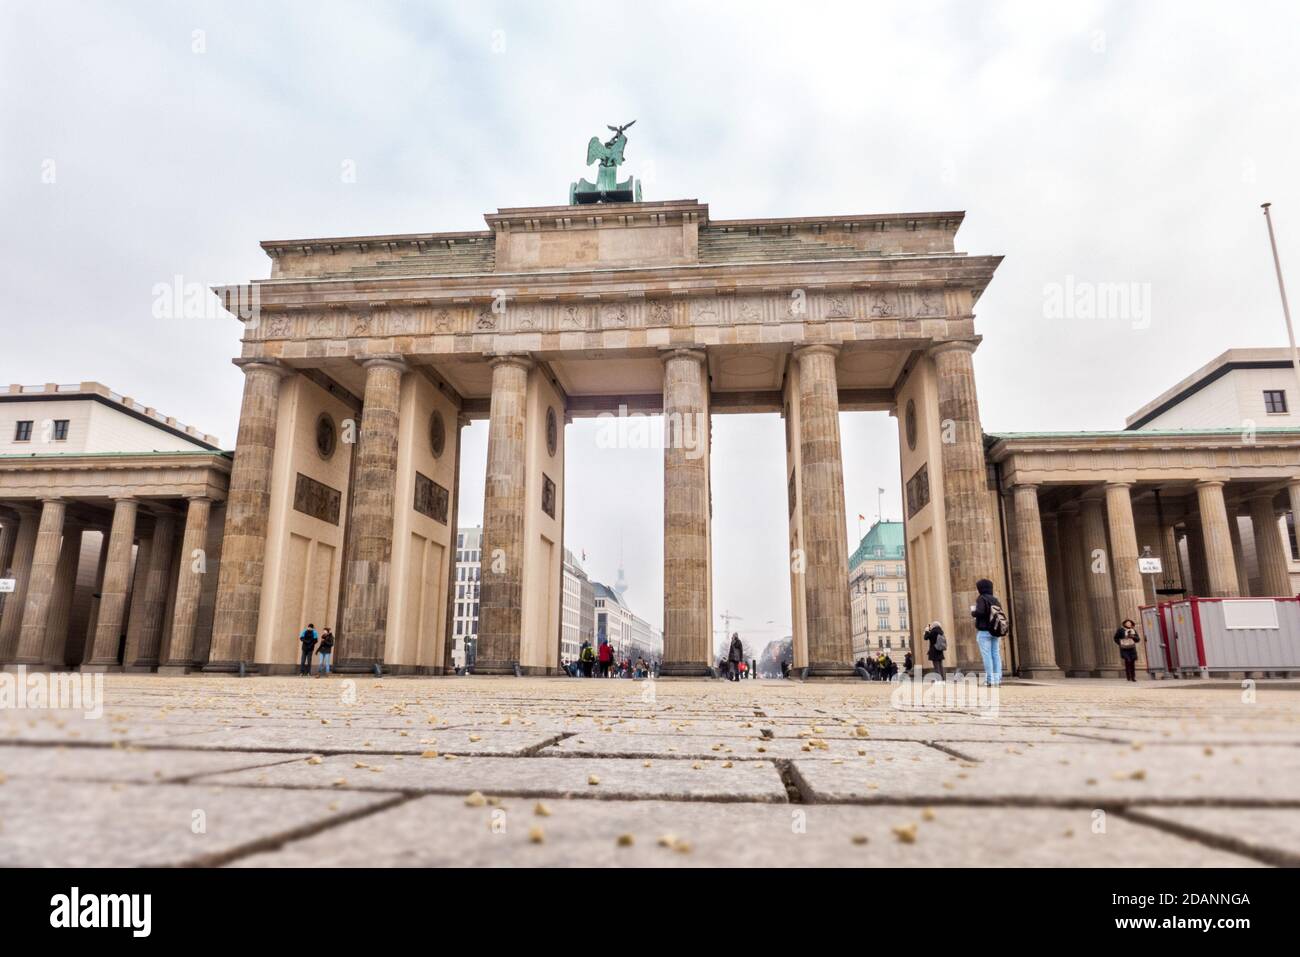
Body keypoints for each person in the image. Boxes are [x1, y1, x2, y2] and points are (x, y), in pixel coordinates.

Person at [971, 578, 1005, 687]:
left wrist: (973, 612)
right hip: (995, 631)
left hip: (984, 631)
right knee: (996, 654)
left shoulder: (981, 598)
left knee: (987, 656)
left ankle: (989, 680)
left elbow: (980, 612)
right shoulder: (995, 600)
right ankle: (997, 679)